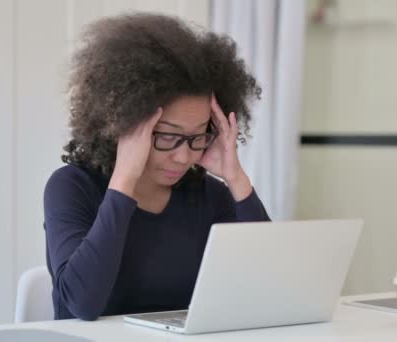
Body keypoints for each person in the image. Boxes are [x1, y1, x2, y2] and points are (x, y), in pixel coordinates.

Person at [43, 12, 270, 321]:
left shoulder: (209, 196)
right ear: (125, 126)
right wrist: (124, 178)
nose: (183, 156)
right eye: (168, 136)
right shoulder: (73, 186)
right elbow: (82, 304)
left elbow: (266, 286)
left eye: (197, 136)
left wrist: (236, 177)